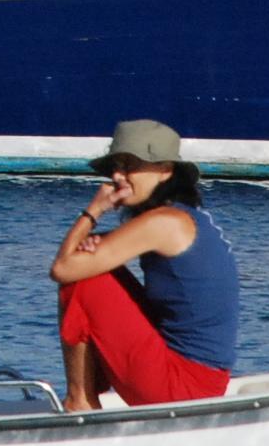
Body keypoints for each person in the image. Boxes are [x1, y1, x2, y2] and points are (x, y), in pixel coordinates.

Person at [49, 118, 238, 409]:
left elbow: (62, 269)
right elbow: (78, 258)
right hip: (202, 379)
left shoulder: (163, 223)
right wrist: (93, 242)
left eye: (130, 166)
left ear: (165, 171)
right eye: (116, 166)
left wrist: (94, 210)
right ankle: (86, 394)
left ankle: (80, 401)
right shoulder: (181, 216)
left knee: (84, 278)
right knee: (95, 268)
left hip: (185, 386)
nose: (117, 175)